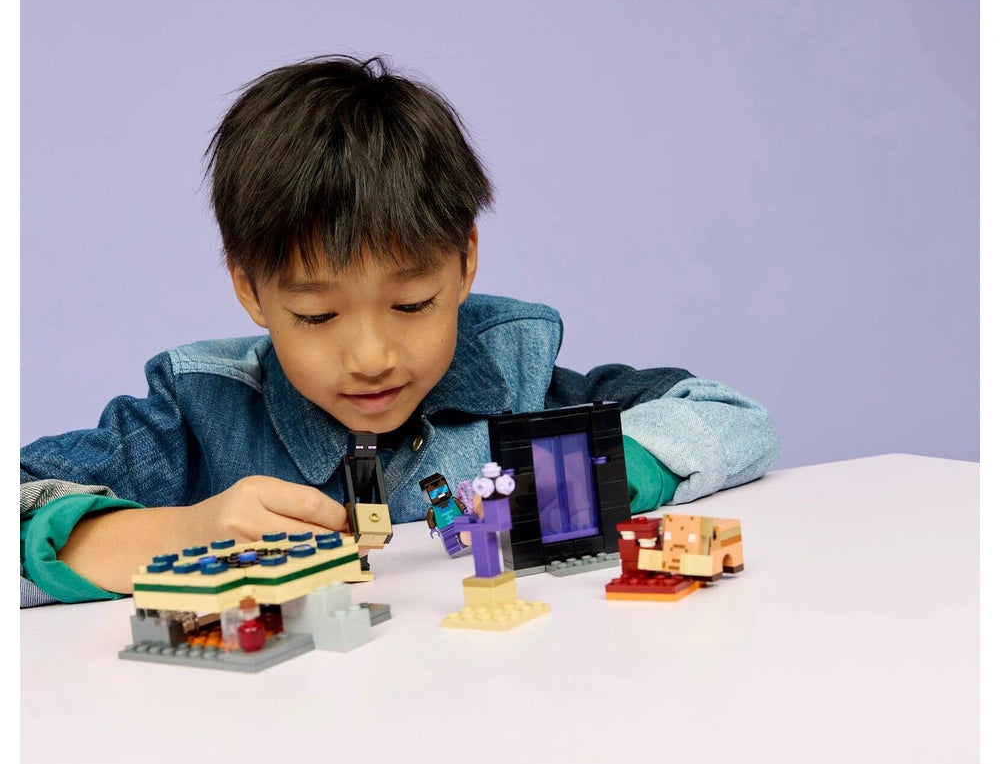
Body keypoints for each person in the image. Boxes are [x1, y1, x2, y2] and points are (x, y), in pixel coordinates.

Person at [19, 55, 780, 608]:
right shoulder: (196, 413)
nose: (372, 357)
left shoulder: (513, 375)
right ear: (249, 288)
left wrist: (588, 475)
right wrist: (182, 533)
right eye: (317, 316)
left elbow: (730, 416)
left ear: (465, 263)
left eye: (412, 304)